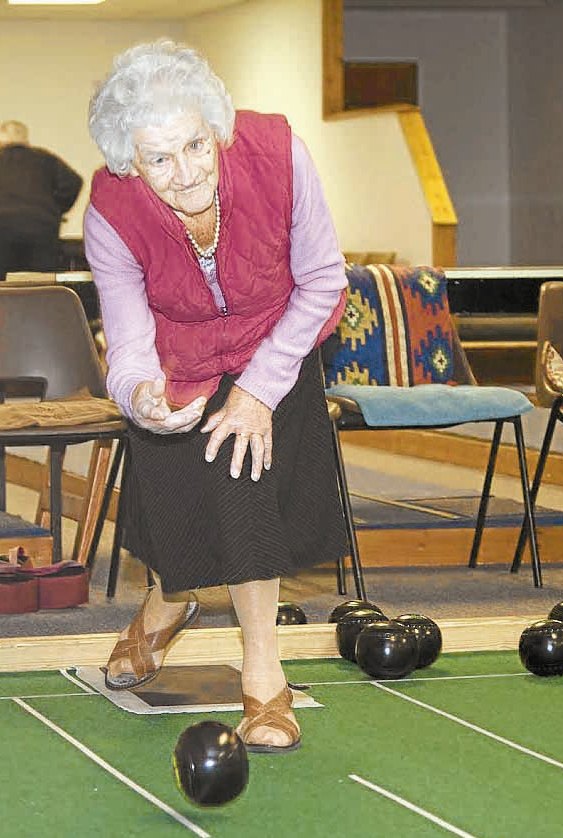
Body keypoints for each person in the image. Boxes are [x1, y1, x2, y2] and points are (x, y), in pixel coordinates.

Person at [84, 39, 348, 754]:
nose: (185, 172)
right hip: (182, 353)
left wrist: (259, 389)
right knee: (176, 504)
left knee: (243, 479)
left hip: (280, 339)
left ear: (216, 126)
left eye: (196, 145)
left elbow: (324, 280)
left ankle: (265, 675)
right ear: (127, 161)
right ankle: (168, 601)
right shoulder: (110, 211)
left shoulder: (278, 154)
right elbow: (129, 337)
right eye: (158, 159)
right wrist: (140, 395)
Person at [0, 120, 83, 280]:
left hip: (2, 229)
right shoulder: (46, 159)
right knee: (41, 286)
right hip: (42, 230)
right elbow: (74, 182)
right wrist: (56, 210)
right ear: (25, 139)